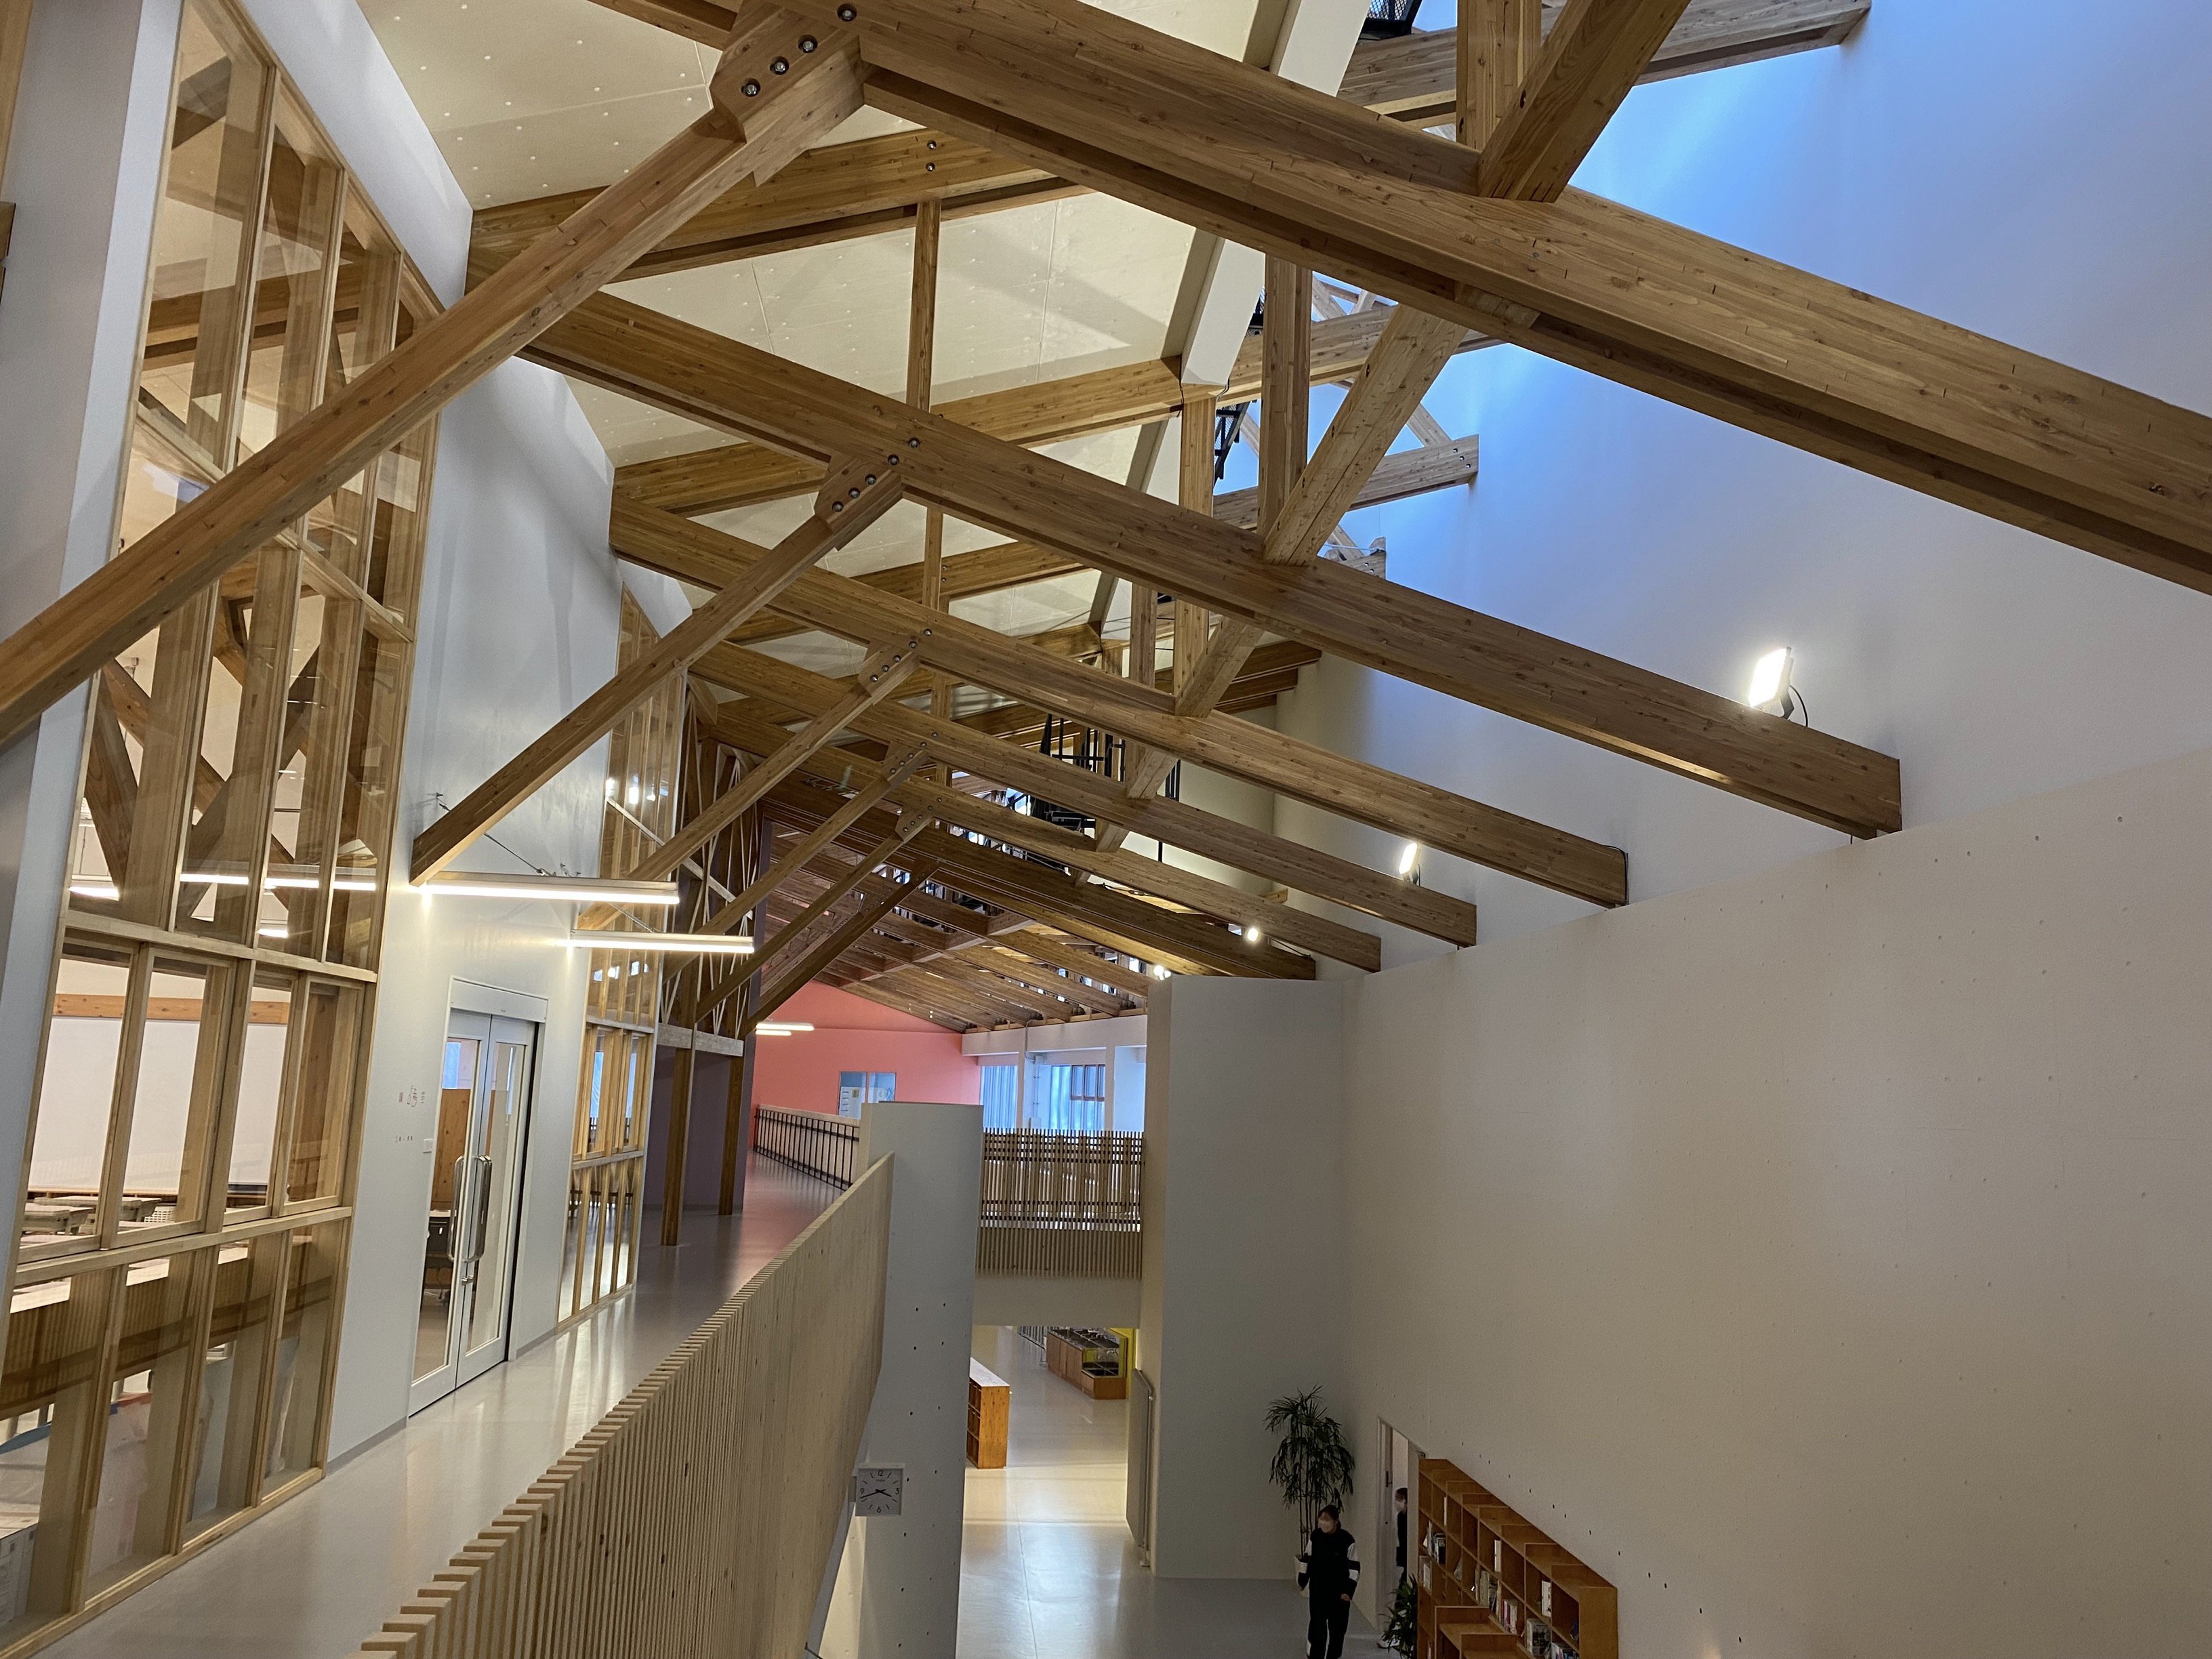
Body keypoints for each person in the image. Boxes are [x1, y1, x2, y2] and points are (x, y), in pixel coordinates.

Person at [1297, 1503, 1360, 1659]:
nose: (1323, 1523)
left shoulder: (1347, 1540)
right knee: (1317, 1628)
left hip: (1339, 1594)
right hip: (1318, 1591)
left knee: (1337, 1631)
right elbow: (1307, 1559)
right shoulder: (1315, 1537)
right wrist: (1302, 1580)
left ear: (1336, 1521)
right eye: (1321, 1519)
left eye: (1327, 1520)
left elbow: (1354, 1567)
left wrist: (1349, 1591)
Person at [1395, 1488, 1409, 1584]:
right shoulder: (1400, 1516)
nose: (1396, 1502)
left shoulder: (1410, 1516)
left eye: (1399, 1499)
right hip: (1404, 1550)